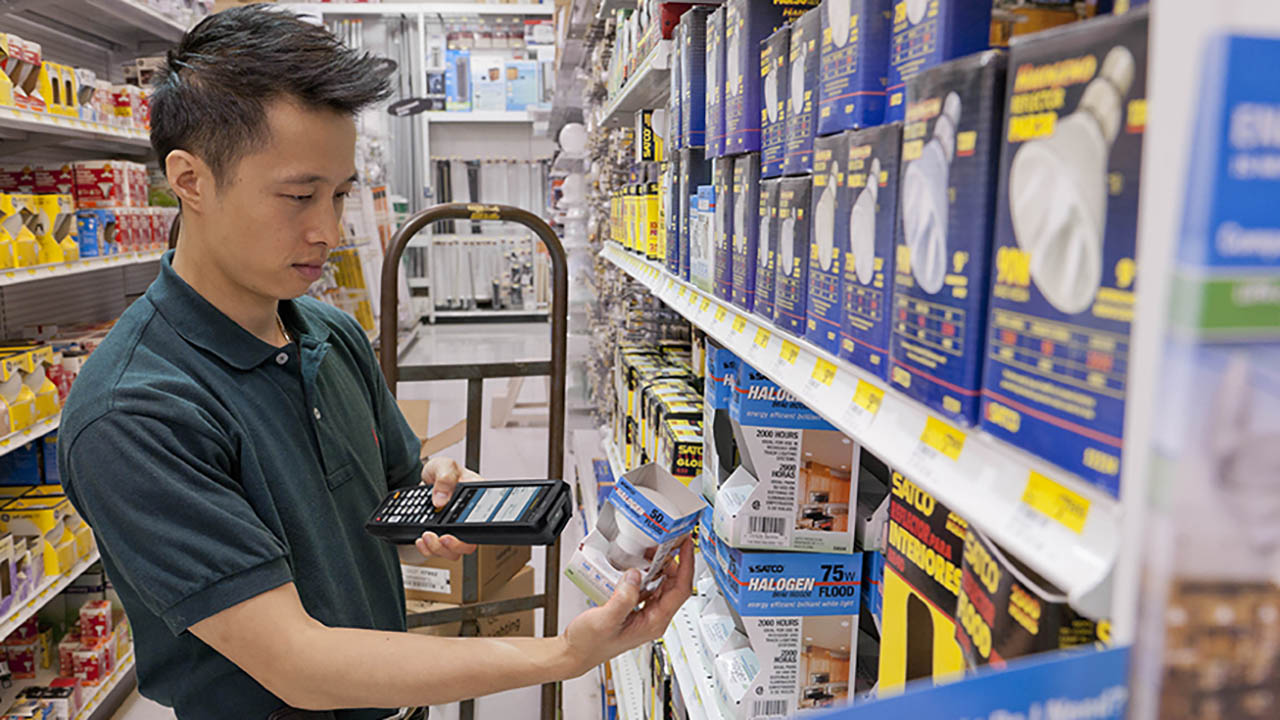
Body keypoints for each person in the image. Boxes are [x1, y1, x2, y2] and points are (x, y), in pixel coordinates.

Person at [56, 6, 693, 720]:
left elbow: (390, 505)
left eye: (339, 194)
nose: (327, 230)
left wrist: (439, 498)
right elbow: (300, 666)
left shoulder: (327, 333)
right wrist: (564, 656)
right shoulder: (134, 413)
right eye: (299, 196)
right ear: (190, 180)